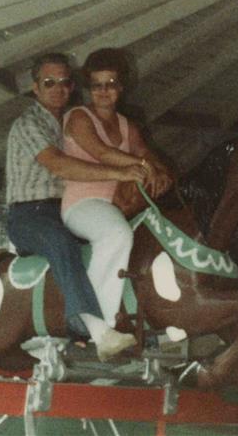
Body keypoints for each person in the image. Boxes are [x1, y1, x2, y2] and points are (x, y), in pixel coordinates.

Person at [6, 52, 143, 361]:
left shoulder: (67, 121)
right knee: (61, 242)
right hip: (28, 215)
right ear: (35, 87)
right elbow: (59, 165)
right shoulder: (29, 123)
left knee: (109, 242)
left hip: (58, 211)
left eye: (65, 83)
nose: (58, 89)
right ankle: (93, 330)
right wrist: (119, 172)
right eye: (49, 82)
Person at [61, 48, 172, 328]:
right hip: (83, 205)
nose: (103, 91)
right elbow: (102, 152)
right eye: (96, 85)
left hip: (119, 206)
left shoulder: (126, 125)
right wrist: (143, 165)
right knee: (117, 234)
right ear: (88, 88)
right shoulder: (78, 117)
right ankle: (94, 322)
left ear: (121, 87)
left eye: (110, 84)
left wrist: (160, 171)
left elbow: (146, 152)